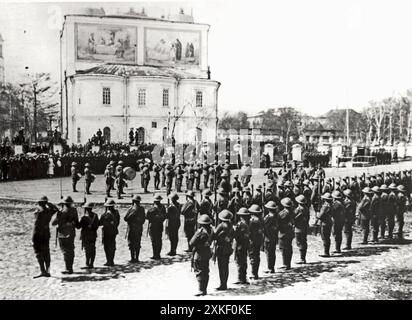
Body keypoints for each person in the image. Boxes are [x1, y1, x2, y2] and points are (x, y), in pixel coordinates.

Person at [32, 196, 58, 278]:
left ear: (39, 203)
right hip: (46, 233)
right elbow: (56, 209)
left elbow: (36, 224)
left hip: (38, 234)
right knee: (46, 252)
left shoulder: (38, 212)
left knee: (38, 252)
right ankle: (48, 271)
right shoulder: (49, 211)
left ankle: (43, 271)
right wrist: (50, 204)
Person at [52, 196, 79, 274]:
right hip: (71, 233)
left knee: (65, 252)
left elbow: (53, 223)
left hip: (63, 234)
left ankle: (68, 269)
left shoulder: (60, 212)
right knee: (70, 251)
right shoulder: (74, 210)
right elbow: (77, 224)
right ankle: (70, 268)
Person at [190, 214, 214, 296]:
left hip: (199, 253)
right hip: (207, 253)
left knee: (199, 271)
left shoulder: (200, 232)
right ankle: (204, 289)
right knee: (205, 271)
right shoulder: (211, 230)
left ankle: (201, 290)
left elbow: (191, 242)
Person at [213, 209, 235, 290]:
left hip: (221, 248)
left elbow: (214, 236)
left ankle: (222, 284)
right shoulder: (231, 226)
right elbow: (233, 235)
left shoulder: (221, 225)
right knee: (225, 266)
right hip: (228, 248)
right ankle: (224, 283)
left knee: (221, 267)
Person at [124, 195, 146, 263]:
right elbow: (143, 220)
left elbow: (126, 218)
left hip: (132, 229)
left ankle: (132, 258)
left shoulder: (131, 209)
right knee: (138, 243)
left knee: (131, 243)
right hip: (139, 228)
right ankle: (137, 258)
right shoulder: (142, 209)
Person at [79, 202, 99, 269]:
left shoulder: (84, 217)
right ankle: (91, 263)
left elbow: (79, 226)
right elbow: (97, 225)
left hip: (85, 235)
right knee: (92, 249)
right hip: (93, 235)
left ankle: (87, 263)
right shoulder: (95, 216)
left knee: (87, 250)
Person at [100, 199, 120, 266]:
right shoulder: (117, 213)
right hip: (114, 231)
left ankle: (109, 261)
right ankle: (111, 260)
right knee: (112, 246)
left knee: (107, 246)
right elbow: (118, 222)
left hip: (107, 232)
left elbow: (100, 223)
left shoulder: (106, 214)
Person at [146, 194, 166, 260]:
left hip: (153, 226)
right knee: (159, 240)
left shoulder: (152, 209)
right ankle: (158, 254)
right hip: (160, 225)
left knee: (154, 241)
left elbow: (147, 216)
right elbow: (164, 216)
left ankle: (155, 254)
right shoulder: (163, 207)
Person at [233, 207, 250, 284]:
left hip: (240, 245)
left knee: (239, 262)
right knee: (244, 261)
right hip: (245, 245)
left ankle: (241, 278)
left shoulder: (240, 225)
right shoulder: (247, 224)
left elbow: (236, 235)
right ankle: (243, 278)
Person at [248, 204, 264, 279]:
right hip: (258, 240)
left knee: (252, 256)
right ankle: (255, 273)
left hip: (253, 240)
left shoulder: (253, 220)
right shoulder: (260, 219)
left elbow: (249, 230)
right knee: (257, 256)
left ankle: (253, 273)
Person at [278, 197, 294, 270]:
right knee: (288, 247)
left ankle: (285, 264)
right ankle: (288, 264)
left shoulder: (283, 213)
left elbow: (278, 222)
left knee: (284, 248)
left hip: (284, 233)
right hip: (290, 232)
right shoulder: (292, 212)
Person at [263, 201, 279, 273]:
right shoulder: (276, 216)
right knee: (272, 252)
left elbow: (263, 226)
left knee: (269, 253)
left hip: (268, 237)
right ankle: (272, 267)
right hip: (274, 237)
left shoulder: (268, 217)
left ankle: (270, 268)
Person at [294, 195, 309, 264]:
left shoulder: (299, 209)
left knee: (300, 242)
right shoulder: (306, 208)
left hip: (299, 228)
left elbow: (294, 218)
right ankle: (303, 258)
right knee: (303, 242)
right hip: (304, 227)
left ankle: (302, 259)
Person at [317, 192, 333, 257]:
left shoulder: (325, 206)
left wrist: (318, 215)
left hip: (324, 222)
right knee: (327, 237)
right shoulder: (331, 205)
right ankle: (327, 251)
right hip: (329, 221)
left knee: (325, 237)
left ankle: (326, 252)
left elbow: (320, 215)